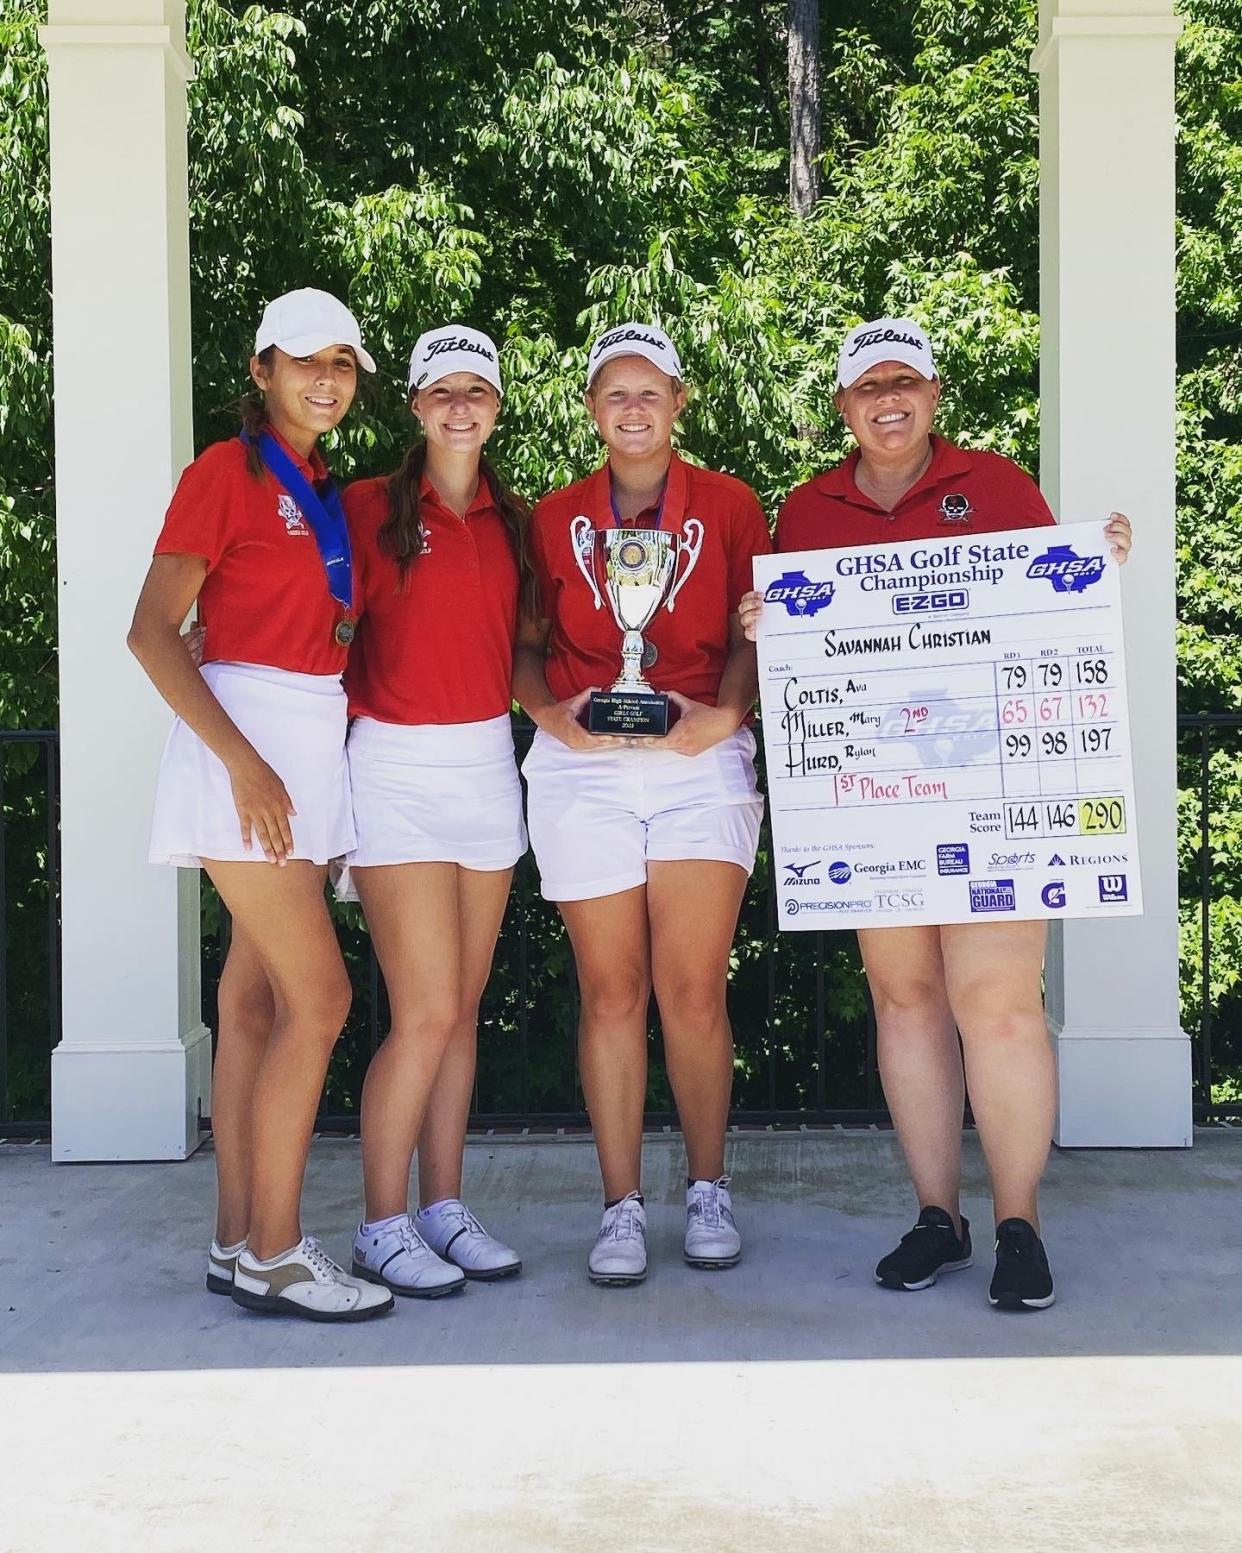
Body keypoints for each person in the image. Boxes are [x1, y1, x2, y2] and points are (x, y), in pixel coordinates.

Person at [740, 317, 1132, 1311]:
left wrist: (1096, 557)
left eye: (903, 380)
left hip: (991, 791)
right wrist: (766, 621)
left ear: (934, 391)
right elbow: (801, 645)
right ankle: (936, 1214)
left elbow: (1056, 602)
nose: (886, 397)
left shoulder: (997, 485)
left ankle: (1017, 1220)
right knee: (905, 1001)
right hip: (875, 802)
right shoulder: (807, 507)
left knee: (997, 1005)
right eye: (867, 384)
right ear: (842, 405)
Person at [128, 287, 393, 1322]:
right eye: (302, 361)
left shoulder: (324, 482)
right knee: (320, 1000)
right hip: (248, 751)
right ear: (261, 371)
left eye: (340, 362)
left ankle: (239, 1236)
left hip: (303, 741)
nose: (323, 378)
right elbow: (153, 630)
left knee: (254, 1002)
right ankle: (281, 1252)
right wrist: (242, 763)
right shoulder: (224, 472)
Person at [513, 322, 771, 1285]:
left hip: (700, 755)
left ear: (679, 401)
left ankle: (709, 1186)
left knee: (693, 988)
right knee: (611, 991)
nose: (633, 409)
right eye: (614, 394)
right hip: (584, 766)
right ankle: (619, 1205)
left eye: (650, 392)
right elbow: (527, 644)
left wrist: (726, 714)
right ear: (591, 409)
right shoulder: (551, 517)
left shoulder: (734, 505)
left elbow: (759, 627)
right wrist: (555, 719)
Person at [341, 326, 530, 1297]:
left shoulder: (519, 521)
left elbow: (535, 650)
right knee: (419, 1011)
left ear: (498, 406)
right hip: (395, 768)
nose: (461, 406)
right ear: (414, 405)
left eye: (478, 391)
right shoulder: (367, 507)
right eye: (442, 390)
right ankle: (381, 1223)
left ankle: (443, 1207)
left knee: (459, 1010)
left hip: (489, 764)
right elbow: (313, 625)